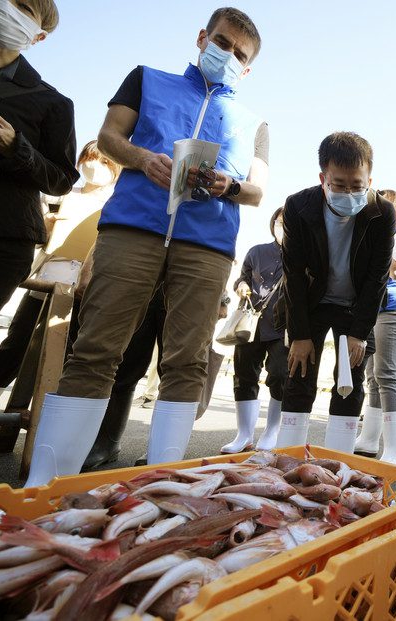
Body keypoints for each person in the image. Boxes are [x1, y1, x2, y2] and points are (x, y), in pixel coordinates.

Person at [23, 7, 269, 487]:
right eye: (222, 43)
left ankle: (165, 487)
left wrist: (228, 185)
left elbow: (258, 190)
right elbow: (109, 137)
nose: (228, 55)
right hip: (133, 227)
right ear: (202, 38)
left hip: (208, 243)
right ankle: (48, 485)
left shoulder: (254, 121)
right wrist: (142, 158)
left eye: (240, 54)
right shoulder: (147, 79)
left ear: (249, 67)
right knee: (95, 349)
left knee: (186, 362)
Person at [0, 0, 77, 446]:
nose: (5, 6)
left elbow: (61, 178)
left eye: (22, 5)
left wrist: (13, 146)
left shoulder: (48, 101)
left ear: (37, 35)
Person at [0, 139, 117, 459]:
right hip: (45, 278)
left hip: (88, 286)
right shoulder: (63, 195)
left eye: (104, 162)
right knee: (15, 349)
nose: (93, 166)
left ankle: (59, 441)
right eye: (88, 158)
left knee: (74, 360)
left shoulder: (117, 203)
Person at [276, 132, 395, 452]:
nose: (349, 192)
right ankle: (288, 459)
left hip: (355, 307)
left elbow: (377, 278)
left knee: (350, 381)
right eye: (339, 184)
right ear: (322, 178)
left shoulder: (382, 212)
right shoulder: (298, 205)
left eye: (358, 185)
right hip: (313, 303)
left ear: (370, 179)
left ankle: (340, 462)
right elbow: (294, 276)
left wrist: (359, 332)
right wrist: (299, 335)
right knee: (298, 376)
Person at [354, 190, 396, 465]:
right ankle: (369, 438)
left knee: (387, 373)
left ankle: (394, 449)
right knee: (373, 375)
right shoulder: (376, 234)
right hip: (375, 307)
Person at [222, 207, 287, 453]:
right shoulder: (257, 251)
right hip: (251, 322)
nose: (283, 227)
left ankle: (272, 431)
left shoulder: (302, 255)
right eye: (280, 221)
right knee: (244, 375)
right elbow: (242, 277)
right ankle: (244, 435)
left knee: (280, 375)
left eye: (289, 223)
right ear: (273, 223)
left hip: (283, 325)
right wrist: (240, 286)